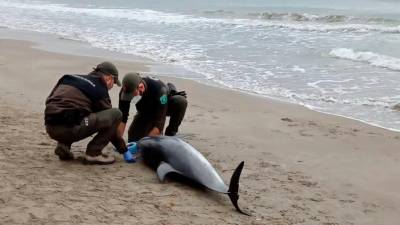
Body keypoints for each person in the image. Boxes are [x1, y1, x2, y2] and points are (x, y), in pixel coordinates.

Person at [44, 61, 128, 164]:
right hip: (70, 129)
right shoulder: (99, 89)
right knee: (116, 114)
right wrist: (123, 149)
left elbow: (50, 100)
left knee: (77, 110)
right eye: (114, 83)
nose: (111, 87)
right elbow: (111, 122)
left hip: (50, 126)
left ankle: (63, 146)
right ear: (109, 78)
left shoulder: (68, 78)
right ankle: (94, 153)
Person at [118, 72, 187, 142]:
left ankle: (171, 134)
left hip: (163, 107)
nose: (129, 97)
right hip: (145, 111)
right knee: (133, 140)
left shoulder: (160, 90)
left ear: (141, 88)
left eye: (131, 95)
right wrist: (119, 142)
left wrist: (146, 142)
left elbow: (159, 124)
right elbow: (122, 118)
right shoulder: (126, 90)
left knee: (180, 101)